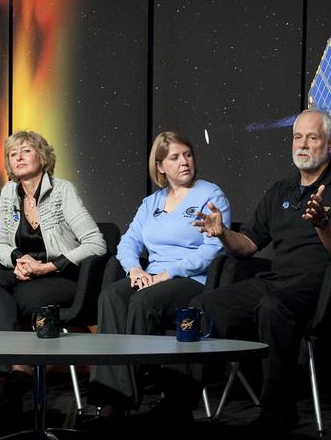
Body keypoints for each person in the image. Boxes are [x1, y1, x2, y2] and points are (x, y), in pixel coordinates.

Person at [191, 110, 331, 432]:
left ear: (330, 145)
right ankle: (179, 403)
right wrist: (223, 233)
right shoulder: (280, 191)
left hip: (324, 286)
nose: (302, 145)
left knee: (274, 307)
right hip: (277, 281)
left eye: (312, 138)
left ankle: (277, 414)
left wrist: (322, 223)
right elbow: (247, 245)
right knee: (205, 306)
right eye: (297, 137)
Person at [87, 131, 230, 419]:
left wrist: (169, 273)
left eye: (187, 154)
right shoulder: (151, 203)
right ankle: (112, 397)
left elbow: (214, 249)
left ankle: (130, 393)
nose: (184, 162)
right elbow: (127, 242)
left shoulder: (210, 195)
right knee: (111, 297)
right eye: (175, 157)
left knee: (143, 303)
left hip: (192, 279)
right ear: (160, 166)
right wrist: (135, 269)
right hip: (151, 276)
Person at [0, 131, 106, 410]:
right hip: (26, 273)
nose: (18, 157)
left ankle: (1, 383)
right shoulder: (9, 192)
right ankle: (8, 376)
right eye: (12, 154)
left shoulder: (63, 190)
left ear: (42, 158)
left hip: (62, 277)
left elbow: (96, 243)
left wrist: (48, 266)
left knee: (3, 302)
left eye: (26, 151)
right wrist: (18, 259)